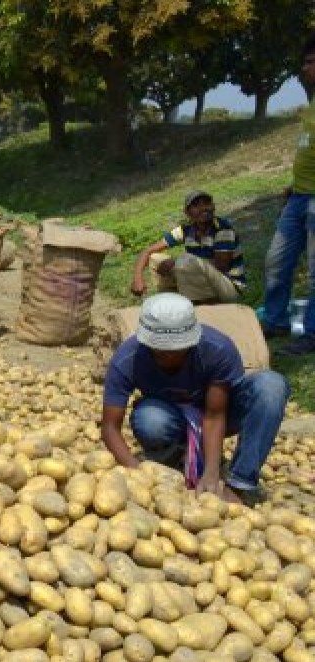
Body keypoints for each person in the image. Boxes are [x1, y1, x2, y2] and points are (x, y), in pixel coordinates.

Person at [100, 293, 289, 504]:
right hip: (170, 419)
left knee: (271, 386)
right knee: (150, 419)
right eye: (161, 350)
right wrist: (137, 472)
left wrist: (211, 473)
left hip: (222, 416)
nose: (170, 356)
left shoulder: (217, 349)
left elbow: (214, 415)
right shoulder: (128, 358)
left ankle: (239, 484)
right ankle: (175, 458)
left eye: (177, 349)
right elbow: (110, 427)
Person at [261, 34, 315, 354]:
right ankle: (276, 320)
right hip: (299, 196)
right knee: (276, 261)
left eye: (310, 62)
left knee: (314, 270)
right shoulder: (311, 106)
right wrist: (295, 185)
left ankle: (311, 334)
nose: (303, 68)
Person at [129, 191, 245, 304]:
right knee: (155, 258)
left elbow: (222, 267)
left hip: (228, 287)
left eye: (206, 203)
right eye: (196, 205)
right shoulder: (186, 230)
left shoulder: (223, 229)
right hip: (204, 277)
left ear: (213, 207)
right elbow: (148, 251)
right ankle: (172, 299)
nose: (203, 208)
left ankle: (199, 305)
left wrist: (177, 262)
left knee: (185, 262)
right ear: (187, 212)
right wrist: (137, 278)